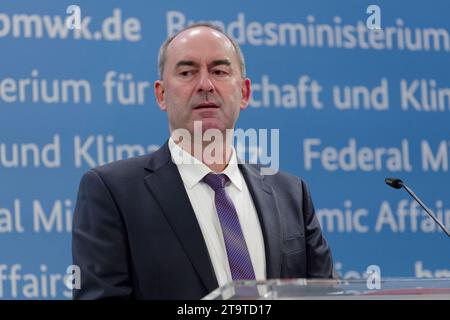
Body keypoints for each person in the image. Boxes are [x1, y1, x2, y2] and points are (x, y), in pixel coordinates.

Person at [72, 23, 334, 300]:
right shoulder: (113, 192)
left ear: (244, 93)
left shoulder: (291, 193)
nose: (205, 85)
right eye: (187, 72)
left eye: (219, 71)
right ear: (161, 94)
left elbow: (327, 294)